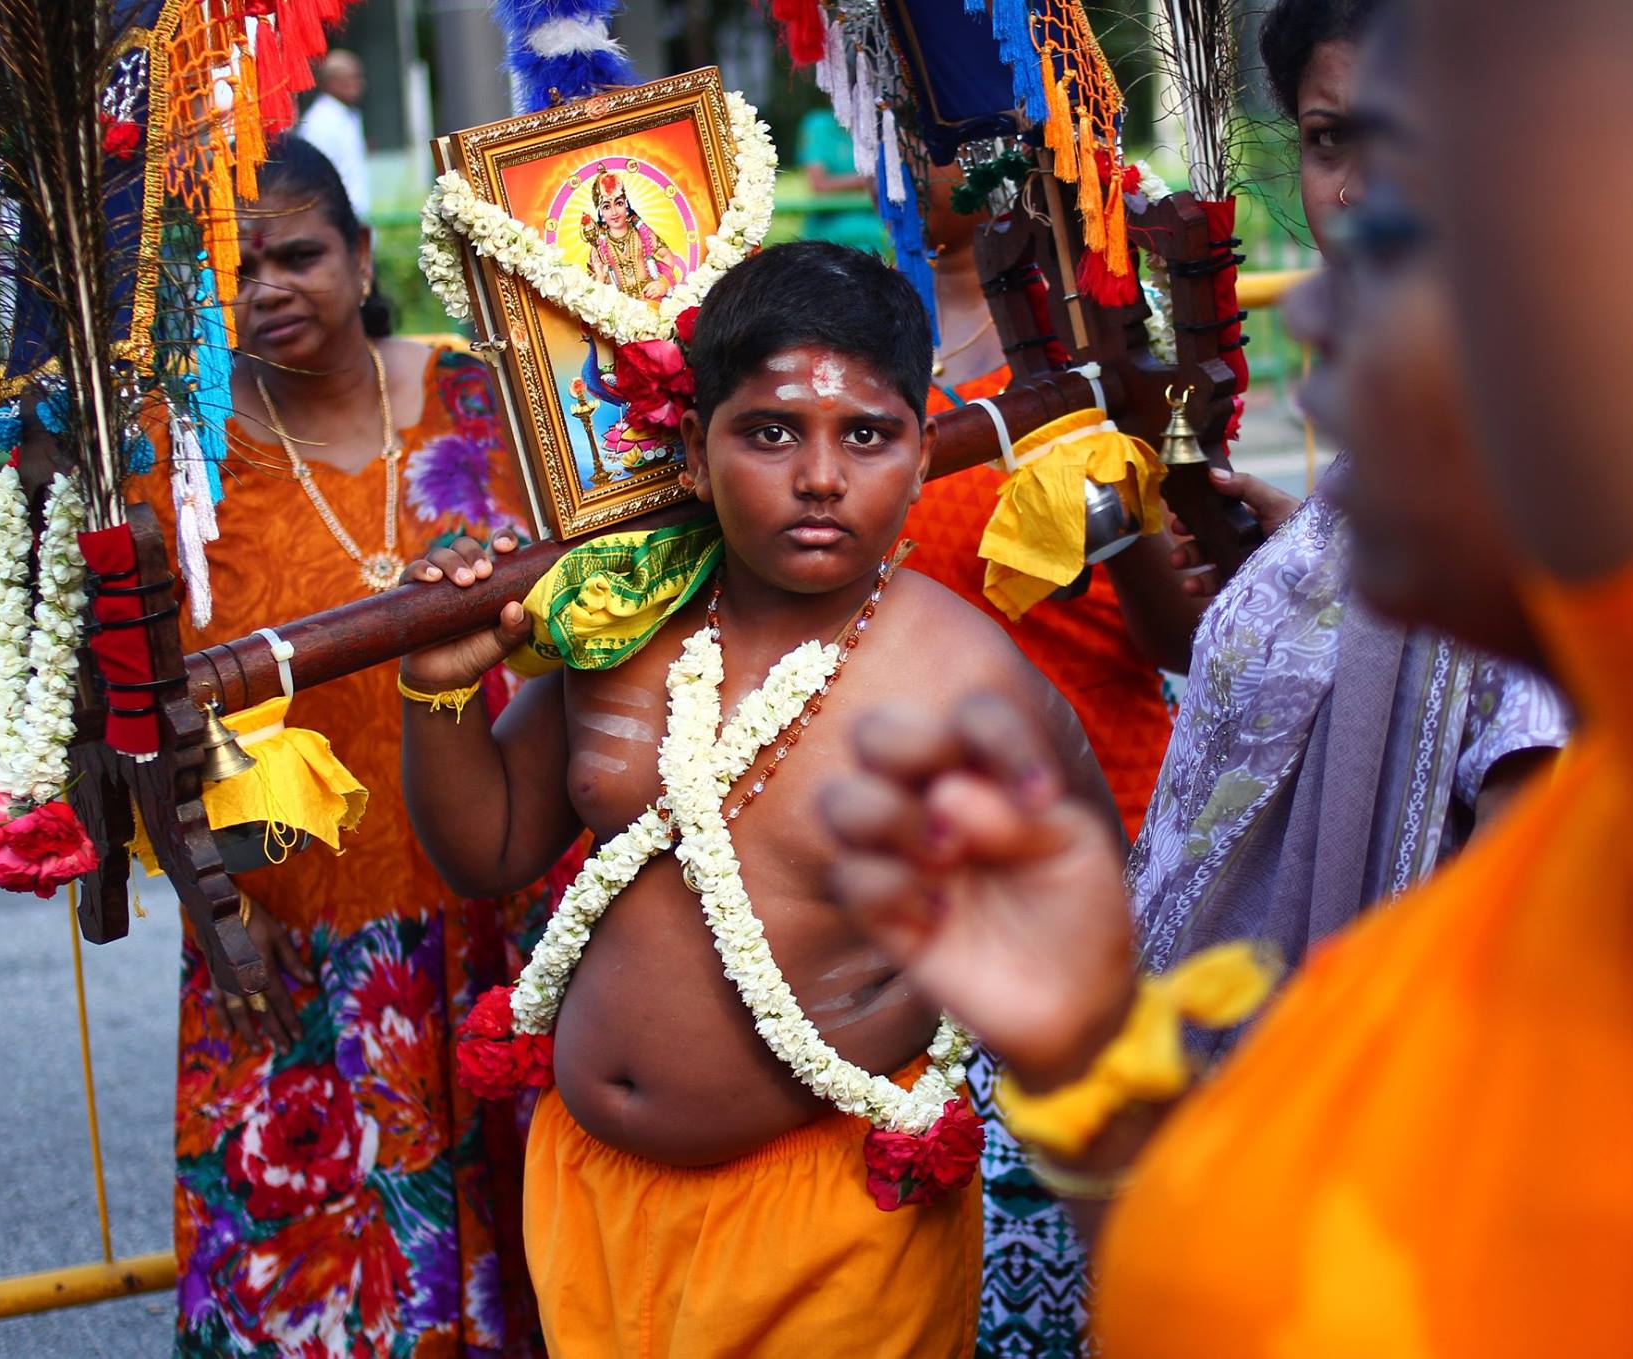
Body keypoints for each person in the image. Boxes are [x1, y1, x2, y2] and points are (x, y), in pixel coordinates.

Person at [821, 0, 1633, 1351]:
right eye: (1339, 157)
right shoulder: (1464, 925)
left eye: (1414, 230)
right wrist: (1089, 1056)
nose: (1320, 290)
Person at [396, 241, 1120, 1356]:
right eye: (771, 431)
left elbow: (1088, 943)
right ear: (693, 451)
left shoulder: (968, 685)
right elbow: (487, 850)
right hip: (588, 1194)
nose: (819, 476)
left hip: (838, 1213)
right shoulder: (623, 619)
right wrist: (435, 696)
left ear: (922, 455)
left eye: (865, 435)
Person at [135, 138, 551, 1356]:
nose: (267, 285)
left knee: (542, 1257)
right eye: (231, 263)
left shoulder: (480, 392)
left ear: (362, 257)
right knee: (312, 1293)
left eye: (300, 253)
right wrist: (210, 883)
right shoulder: (178, 463)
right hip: (294, 931)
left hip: (503, 905)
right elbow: (140, 702)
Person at [1127, 0, 1570, 1049]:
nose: (1362, 189)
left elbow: (1529, 918)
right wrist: (1309, 555)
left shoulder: (1556, 459)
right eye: (1330, 140)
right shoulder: (1407, 441)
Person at [902, 163, 1192, 1359]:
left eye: (940, 130)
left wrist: (1113, 515)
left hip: (1101, 842)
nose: (919, 158)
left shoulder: (1101, 345)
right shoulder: (857, 334)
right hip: (907, 868)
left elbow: (1184, 634)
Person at [795, 105, 887, 255]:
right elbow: (818, 183)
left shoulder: (875, 125)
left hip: (869, 237)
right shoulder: (819, 124)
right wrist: (865, 180)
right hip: (826, 238)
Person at [583, 171, 687, 302]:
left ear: (626, 204)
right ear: (600, 212)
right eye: (606, 206)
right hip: (620, 310)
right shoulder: (598, 246)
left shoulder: (641, 232)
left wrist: (663, 283)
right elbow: (595, 292)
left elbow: (667, 256)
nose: (614, 212)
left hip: (652, 302)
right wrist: (600, 277)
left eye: (619, 203)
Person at [298, 50, 371, 219]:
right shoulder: (320, 122)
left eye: (359, 77)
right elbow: (315, 178)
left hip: (356, 217)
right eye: (351, 78)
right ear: (331, 82)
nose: (359, 84)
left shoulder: (347, 115)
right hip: (336, 218)